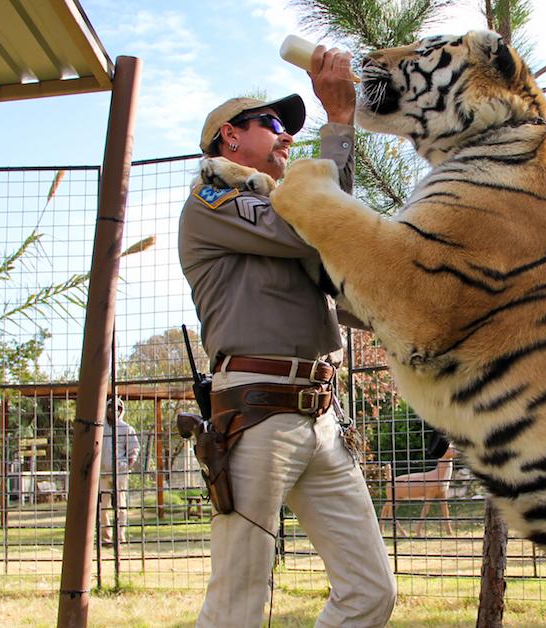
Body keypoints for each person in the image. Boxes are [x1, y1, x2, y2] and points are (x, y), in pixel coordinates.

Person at [178, 45, 396, 628]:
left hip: (323, 415)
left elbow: (339, 246)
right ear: (229, 137)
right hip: (255, 410)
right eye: (273, 124)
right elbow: (321, 228)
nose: (286, 137)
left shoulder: (282, 209)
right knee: (237, 605)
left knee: (371, 591)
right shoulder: (214, 199)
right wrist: (339, 126)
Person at [99, 396, 139, 546]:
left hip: (120, 473)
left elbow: (134, 449)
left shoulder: (126, 428)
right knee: (102, 507)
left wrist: (127, 464)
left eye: (118, 408)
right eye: (110, 407)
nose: (113, 410)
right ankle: (106, 538)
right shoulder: (100, 427)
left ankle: (120, 537)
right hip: (102, 474)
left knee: (121, 506)